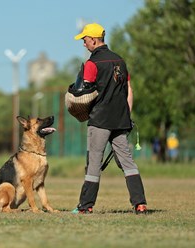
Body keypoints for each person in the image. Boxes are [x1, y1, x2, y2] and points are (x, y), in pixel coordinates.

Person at [72, 23, 148, 214]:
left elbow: (84, 95)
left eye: (85, 39)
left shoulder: (92, 64)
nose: (84, 43)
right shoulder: (120, 60)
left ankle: (85, 206)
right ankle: (140, 204)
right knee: (128, 163)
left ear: (94, 40)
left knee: (94, 162)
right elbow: (129, 90)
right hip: (121, 120)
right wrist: (127, 115)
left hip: (100, 121)